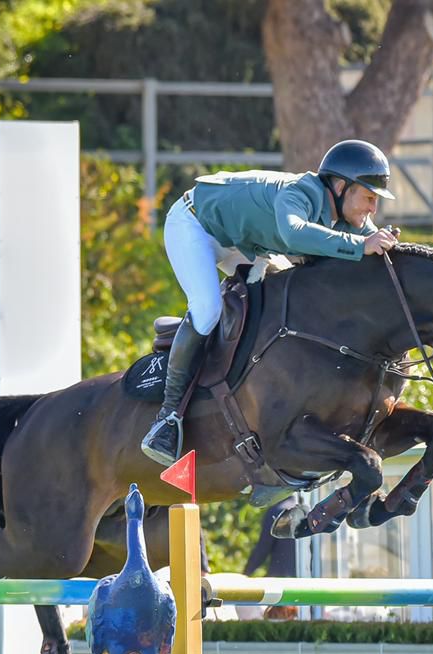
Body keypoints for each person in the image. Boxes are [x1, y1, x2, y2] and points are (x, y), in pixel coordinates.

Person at [140, 139, 402, 465]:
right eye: (369, 197)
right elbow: (294, 235)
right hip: (195, 226)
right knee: (207, 310)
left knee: (284, 304)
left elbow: (369, 245)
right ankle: (168, 418)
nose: (373, 209)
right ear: (340, 186)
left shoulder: (346, 215)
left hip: (245, 244)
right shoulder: (297, 194)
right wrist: (361, 246)